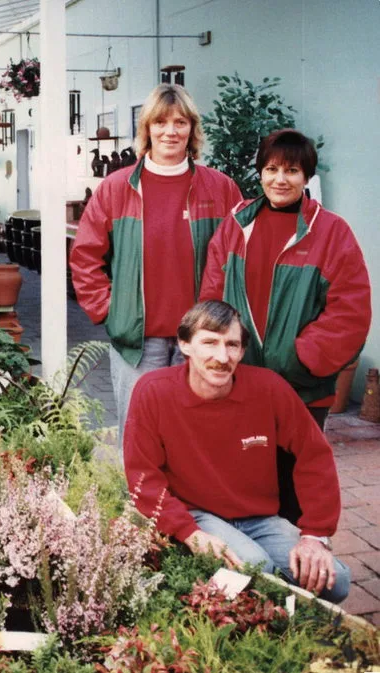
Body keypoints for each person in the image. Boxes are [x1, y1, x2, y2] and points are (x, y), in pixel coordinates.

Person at [124, 301, 350, 603]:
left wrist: (314, 535)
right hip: (196, 514)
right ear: (185, 345)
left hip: (259, 518)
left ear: (242, 351)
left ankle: (278, 605)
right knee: (258, 569)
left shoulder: (268, 388)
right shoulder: (153, 391)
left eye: (232, 345)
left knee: (336, 583)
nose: (222, 357)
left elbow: (314, 455)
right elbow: (143, 476)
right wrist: (187, 532)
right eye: (209, 342)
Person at [199, 129, 371, 521]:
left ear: (306, 177)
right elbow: (212, 293)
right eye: (272, 168)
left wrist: (300, 358)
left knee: (297, 483)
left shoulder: (331, 232)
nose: (280, 179)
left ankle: (295, 565)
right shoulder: (236, 225)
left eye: (292, 170)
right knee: (242, 479)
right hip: (239, 380)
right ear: (259, 172)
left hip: (301, 386)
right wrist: (221, 356)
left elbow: (351, 309)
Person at [69, 84, 242, 451]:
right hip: (137, 339)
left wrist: (227, 323)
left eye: (180, 122)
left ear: (192, 130)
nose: (170, 131)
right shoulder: (117, 188)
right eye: (160, 122)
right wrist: (110, 311)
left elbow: (241, 259)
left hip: (201, 338)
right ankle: (138, 508)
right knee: (141, 433)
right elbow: (85, 256)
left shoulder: (221, 188)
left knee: (198, 432)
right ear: (146, 129)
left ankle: (191, 507)